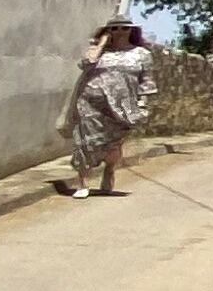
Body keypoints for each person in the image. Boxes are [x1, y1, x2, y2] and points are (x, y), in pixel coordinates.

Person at [60, 20, 153, 197]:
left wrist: (142, 102)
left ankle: (109, 169)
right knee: (85, 142)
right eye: (114, 28)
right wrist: (102, 43)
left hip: (123, 107)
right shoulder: (98, 51)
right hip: (90, 102)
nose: (119, 31)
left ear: (131, 31)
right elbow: (86, 63)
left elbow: (147, 81)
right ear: (107, 30)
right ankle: (82, 183)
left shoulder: (142, 54)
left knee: (114, 144)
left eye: (124, 28)